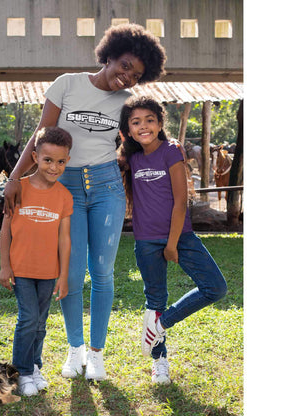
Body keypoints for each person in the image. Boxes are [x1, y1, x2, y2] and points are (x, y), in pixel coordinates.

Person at [3, 23, 166, 381]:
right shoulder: (68, 84)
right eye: (124, 65)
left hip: (107, 187)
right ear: (108, 55)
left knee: (104, 273)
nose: (126, 77)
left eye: (136, 75)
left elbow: (144, 136)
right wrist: (15, 178)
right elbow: (40, 138)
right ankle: (74, 350)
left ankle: (96, 355)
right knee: (71, 273)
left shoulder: (127, 103)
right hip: (69, 189)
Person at [118, 95, 227, 384]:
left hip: (181, 237)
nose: (144, 126)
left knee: (215, 287)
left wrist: (171, 243)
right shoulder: (131, 157)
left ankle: (162, 323)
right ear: (128, 130)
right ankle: (159, 361)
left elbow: (181, 203)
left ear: (160, 123)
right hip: (145, 241)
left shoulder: (171, 151)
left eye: (150, 120)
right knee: (155, 298)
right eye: (136, 122)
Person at [0, 127, 73, 396]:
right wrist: (5, 265)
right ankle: (21, 372)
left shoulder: (65, 196)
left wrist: (63, 276)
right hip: (21, 269)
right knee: (28, 318)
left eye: (61, 161)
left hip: (48, 272)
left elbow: (65, 239)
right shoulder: (19, 189)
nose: (54, 167)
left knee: (40, 323)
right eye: (47, 160)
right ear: (35, 157)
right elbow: (5, 230)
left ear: (67, 160)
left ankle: (34, 365)